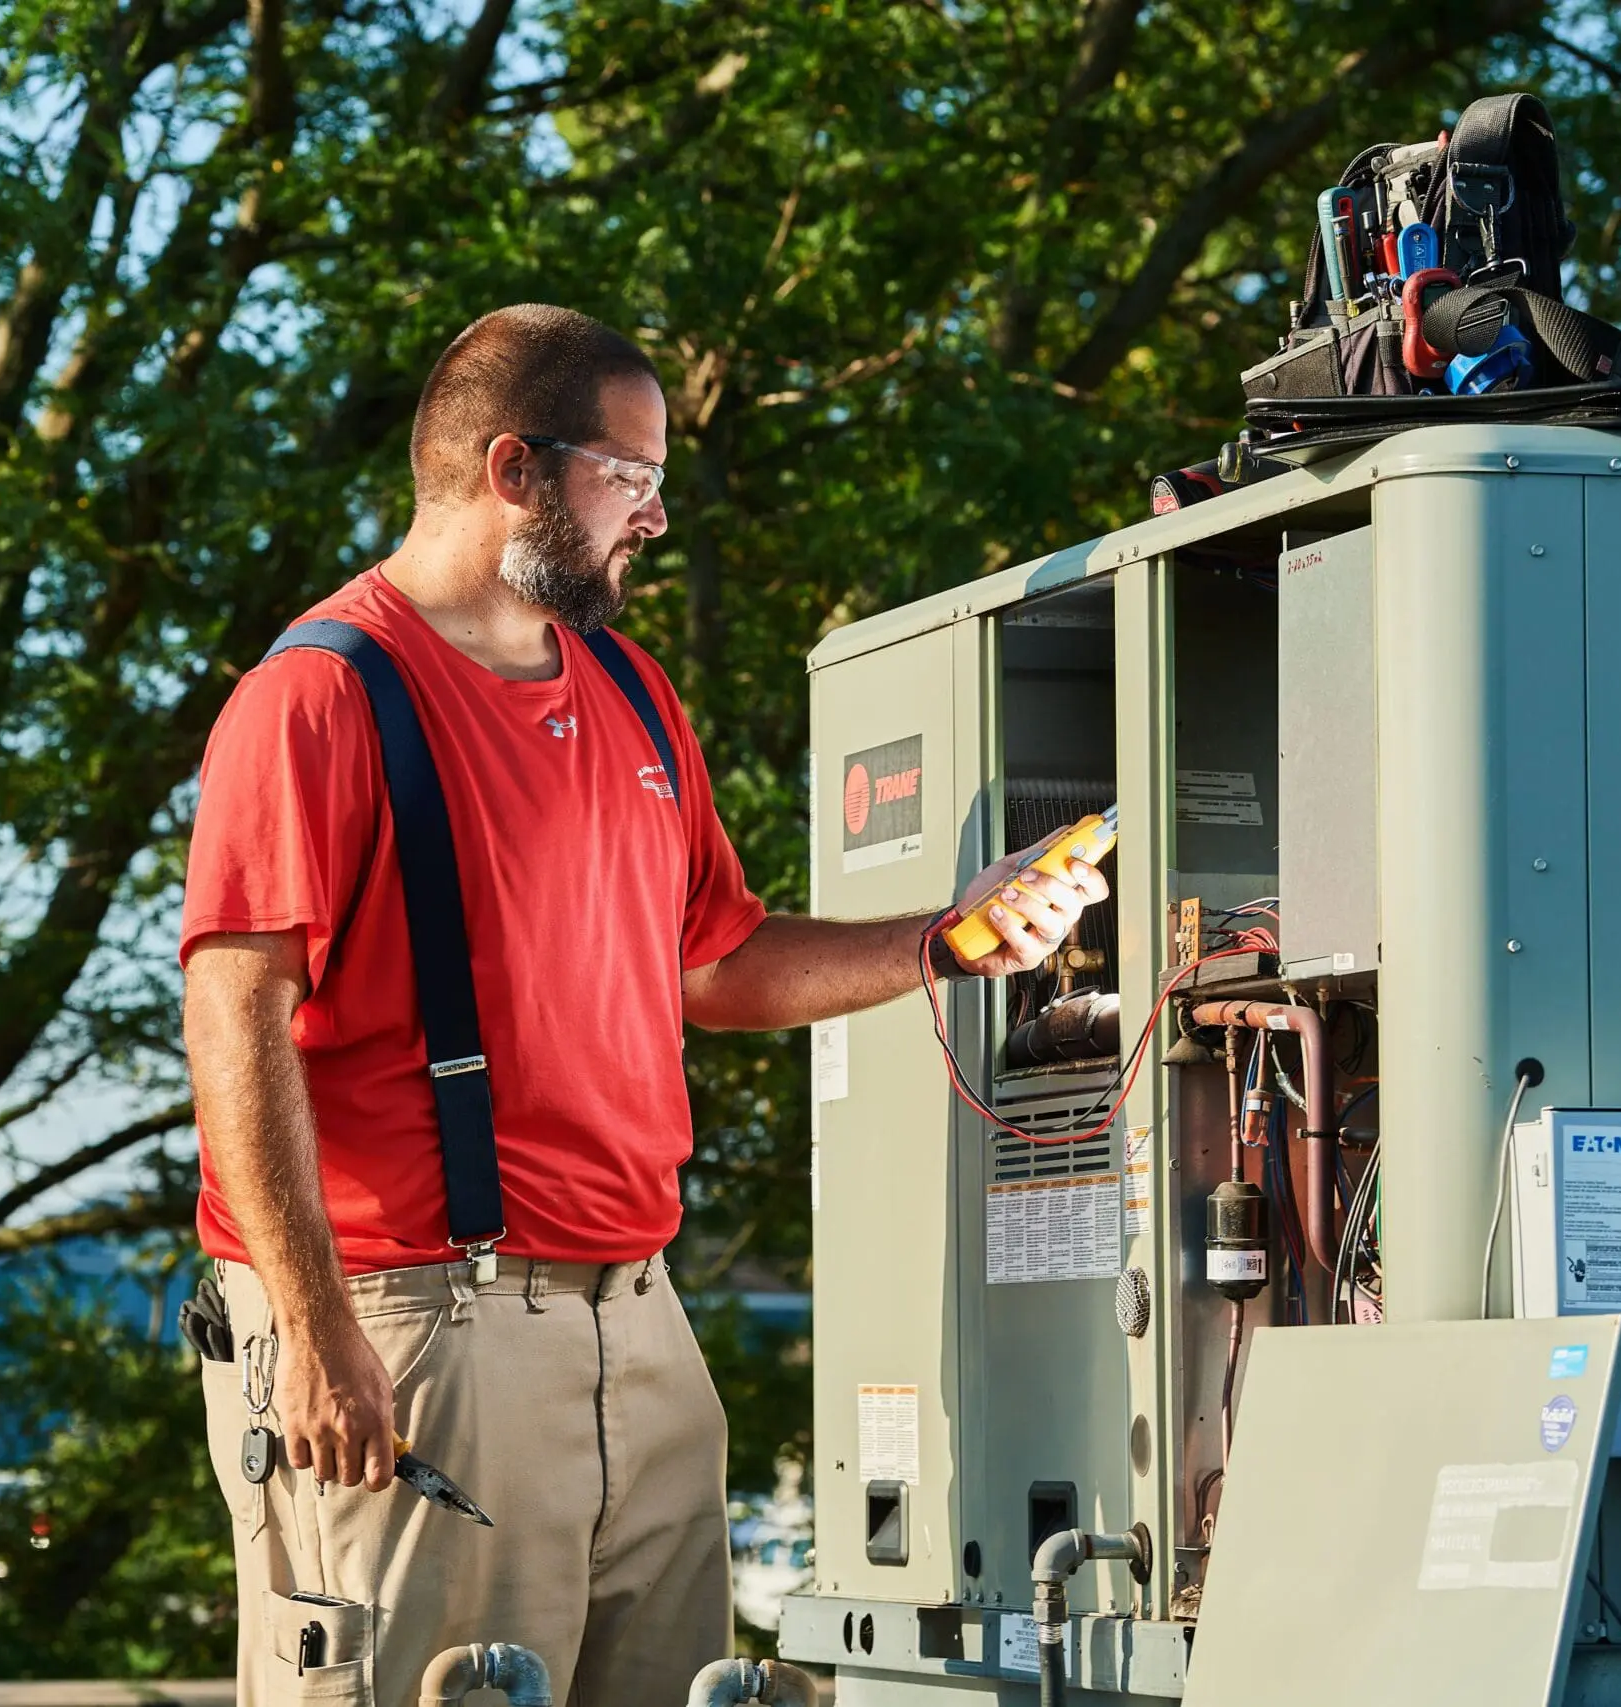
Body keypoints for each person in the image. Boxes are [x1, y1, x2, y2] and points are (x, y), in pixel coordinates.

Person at [178, 303, 1103, 1707]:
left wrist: (950, 939)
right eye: (633, 477)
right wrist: (312, 1331)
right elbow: (234, 1020)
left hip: (641, 1325)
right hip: (417, 1328)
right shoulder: (320, 700)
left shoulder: (630, 693)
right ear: (515, 469)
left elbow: (717, 963)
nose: (656, 520)